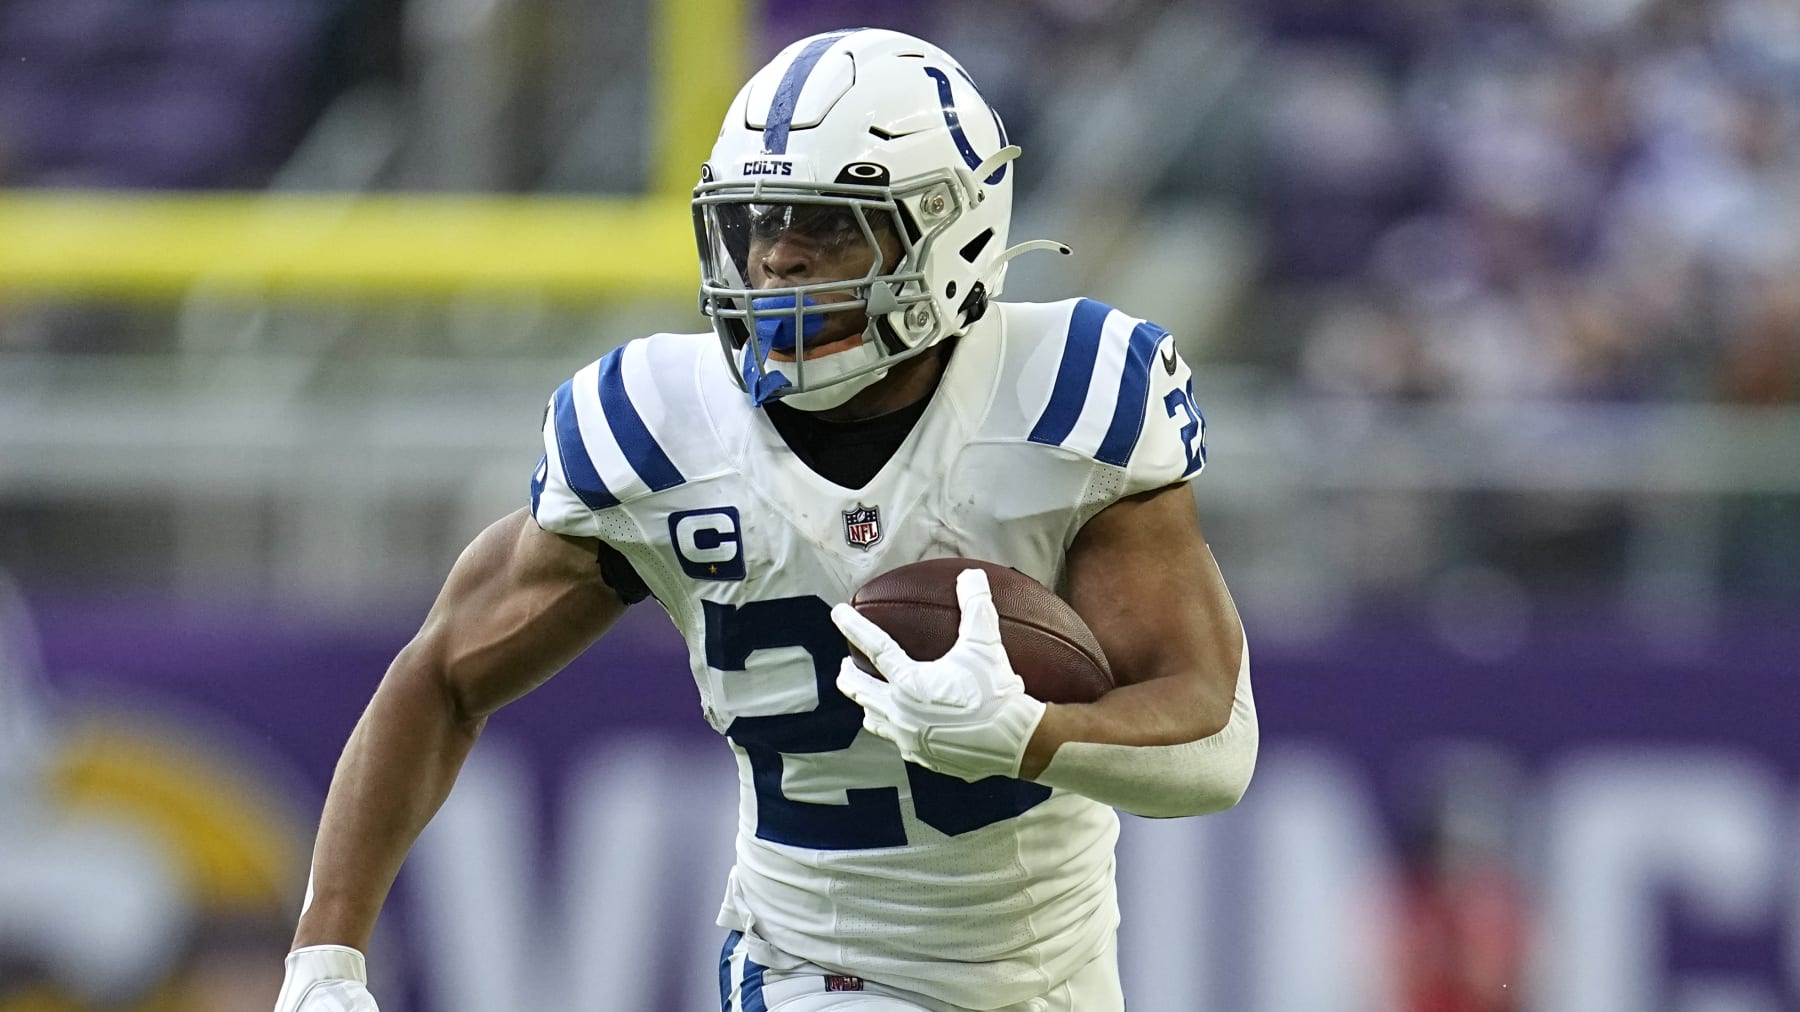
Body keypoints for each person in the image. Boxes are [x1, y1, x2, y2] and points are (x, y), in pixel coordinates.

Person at [275, 27, 1257, 1012]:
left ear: (947, 231)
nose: (779, 256)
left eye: (827, 227)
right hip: (816, 967)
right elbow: (443, 674)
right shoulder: (659, 424)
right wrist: (325, 957)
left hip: (1060, 974)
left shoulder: (1063, 392)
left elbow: (1212, 747)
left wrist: (1032, 734)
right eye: (756, 223)